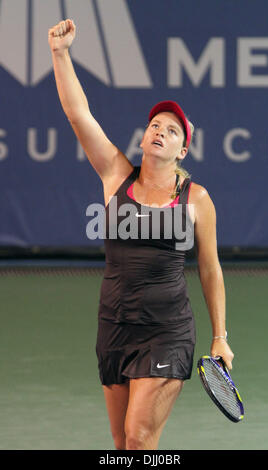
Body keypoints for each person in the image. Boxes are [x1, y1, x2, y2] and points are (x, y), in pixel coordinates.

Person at [48, 19, 234, 450]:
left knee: (139, 435)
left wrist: (220, 336)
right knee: (121, 443)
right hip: (113, 325)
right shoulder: (115, 175)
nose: (160, 132)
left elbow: (210, 268)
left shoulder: (195, 198)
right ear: (144, 135)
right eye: (155, 125)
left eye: (172, 131)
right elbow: (78, 114)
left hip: (167, 330)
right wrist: (60, 55)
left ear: (181, 150)